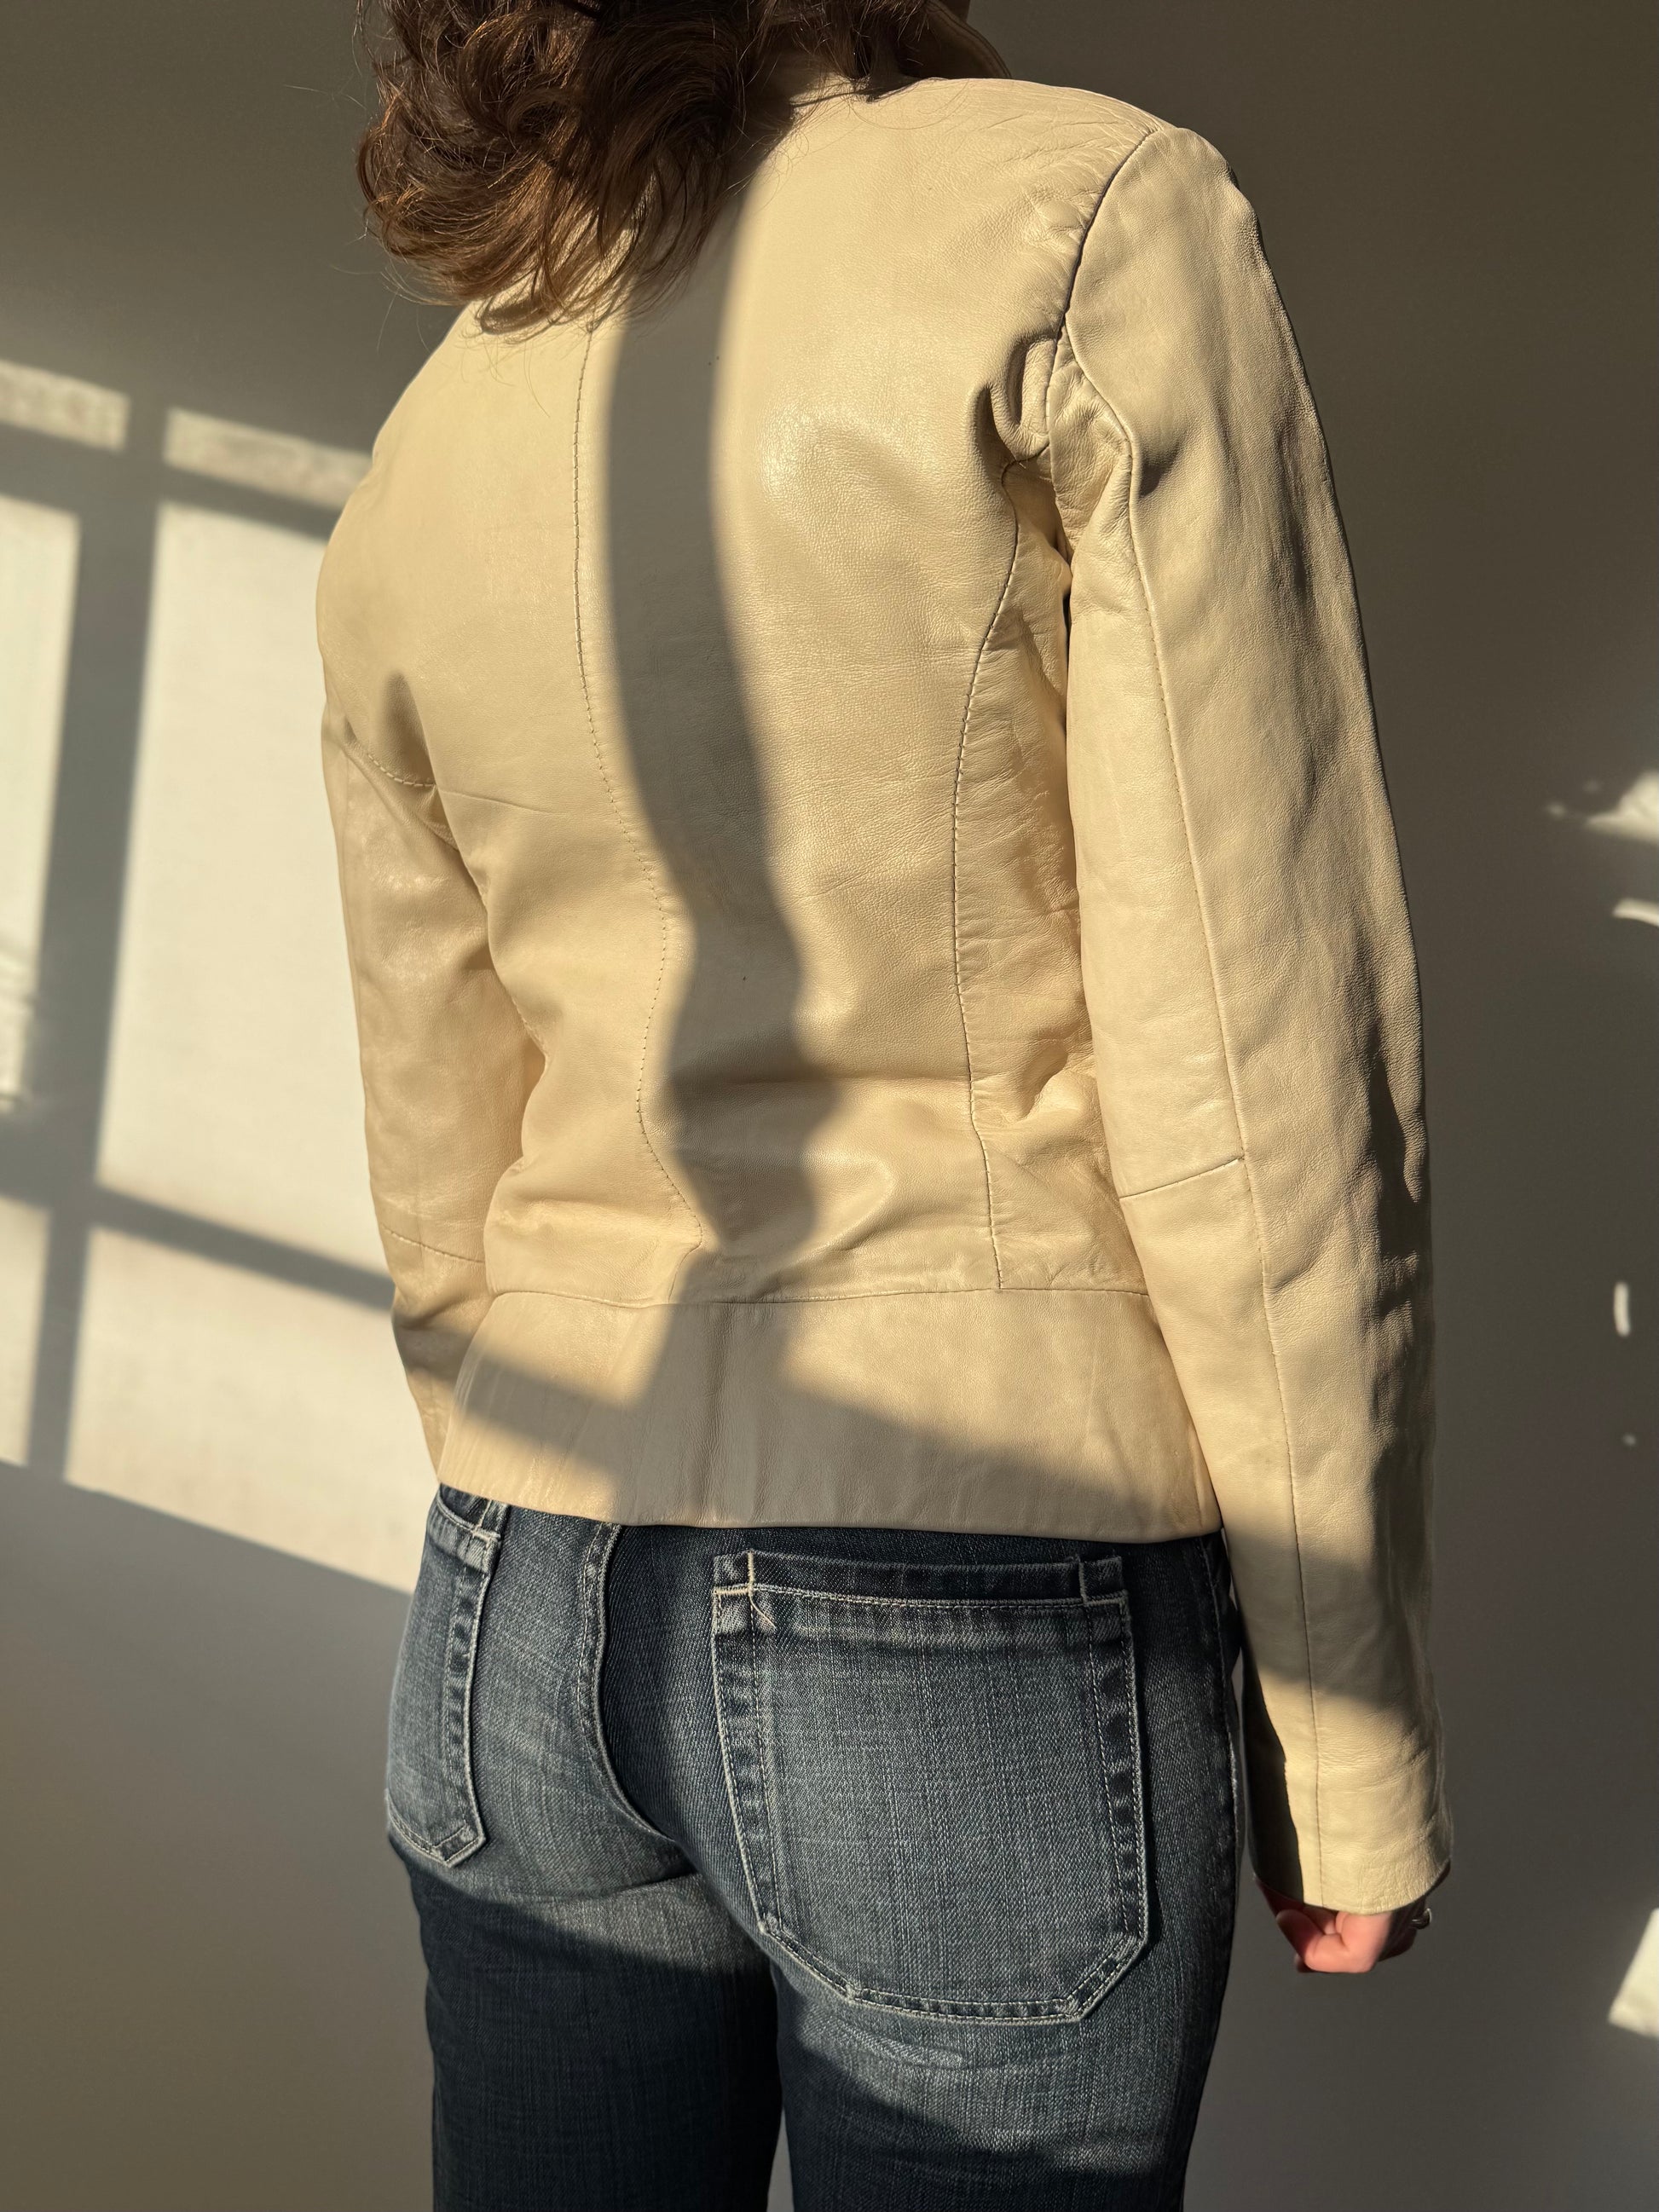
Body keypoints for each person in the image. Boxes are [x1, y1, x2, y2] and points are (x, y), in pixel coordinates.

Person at [319, 3, 1451, 2204]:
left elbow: (436, 1125)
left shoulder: (437, 420)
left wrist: (530, 1501)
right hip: (961, 1590)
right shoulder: (1081, 218)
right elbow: (1250, 1050)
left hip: (516, 1587)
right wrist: (1347, 1724)